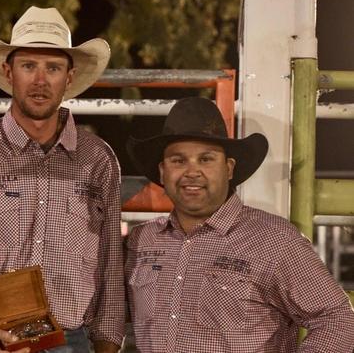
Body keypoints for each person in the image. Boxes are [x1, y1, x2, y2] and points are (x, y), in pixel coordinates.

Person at [0, 6, 124, 352]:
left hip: (70, 341)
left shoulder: (98, 160)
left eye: (53, 67)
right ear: (9, 71)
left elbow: (110, 272)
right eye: (29, 65)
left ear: (70, 77)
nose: (41, 80)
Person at [124, 97, 354, 352]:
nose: (192, 172)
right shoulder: (142, 240)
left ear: (229, 168)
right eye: (178, 160)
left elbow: (336, 318)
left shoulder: (274, 239)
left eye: (206, 159)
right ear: (162, 171)